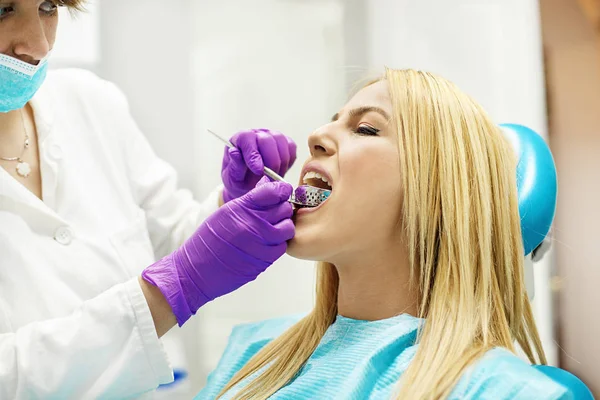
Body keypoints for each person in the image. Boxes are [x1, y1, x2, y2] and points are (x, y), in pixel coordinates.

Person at [196, 69, 570, 399]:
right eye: (332, 121)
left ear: (438, 194)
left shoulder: (502, 391)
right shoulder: (253, 350)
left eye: (366, 129)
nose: (317, 136)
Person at [0, 1, 296, 398]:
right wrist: (171, 288)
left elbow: (170, 240)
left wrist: (232, 199)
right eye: (3, 10)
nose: (38, 45)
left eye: (48, 6)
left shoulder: (90, 102)